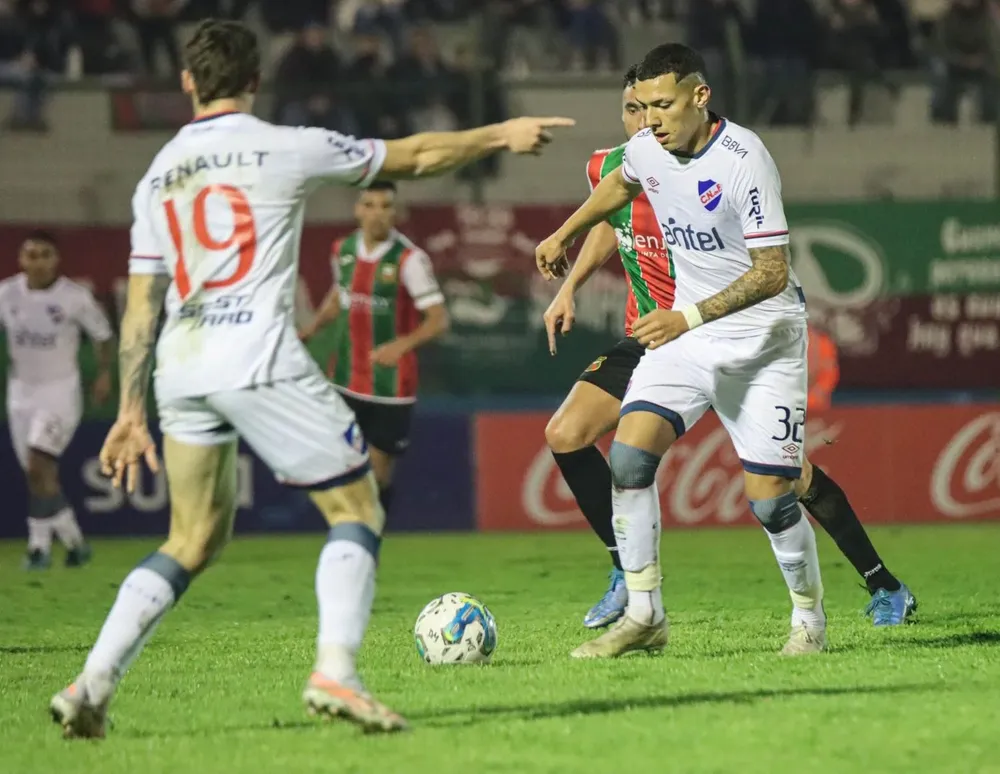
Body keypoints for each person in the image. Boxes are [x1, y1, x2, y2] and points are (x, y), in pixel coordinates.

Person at [49, 18, 572, 738]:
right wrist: (498, 134)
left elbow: (141, 306)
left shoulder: (157, 175)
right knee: (357, 508)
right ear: (256, 80)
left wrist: (131, 411)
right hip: (257, 356)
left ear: (188, 82)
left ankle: (91, 685)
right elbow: (415, 154)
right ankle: (336, 672)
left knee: (190, 540)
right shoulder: (285, 146)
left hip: (181, 365)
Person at [535, 43, 905, 659]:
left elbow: (771, 272)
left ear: (700, 96)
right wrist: (563, 233)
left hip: (763, 341)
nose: (652, 120)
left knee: (772, 499)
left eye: (663, 105)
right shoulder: (646, 148)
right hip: (685, 336)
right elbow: (619, 186)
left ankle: (809, 621)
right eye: (642, 106)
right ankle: (644, 613)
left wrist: (685, 316)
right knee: (628, 458)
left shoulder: (744, 158)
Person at [300, 181, 448, 522]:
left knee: (378, 473)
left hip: (389, 385)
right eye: (370, 205)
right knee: (342, 464)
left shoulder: (409, 260)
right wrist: (311, 329)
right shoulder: (342, 249)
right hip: (345, 377)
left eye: (385, 206)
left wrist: (401, 345)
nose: (377, 214)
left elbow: (438, 320)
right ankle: (348, 531)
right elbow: (339, 296)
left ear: (396, 212)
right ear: (358, 210)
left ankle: (371, 535)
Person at [0, 231, 113, 569]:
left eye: (45, 255)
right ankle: (75, 543)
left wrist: (104, 374)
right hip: (20, 393)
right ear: (21, 260)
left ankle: (38, 547)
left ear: (56, 260)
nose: (38, 262)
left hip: (59, 393)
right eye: (31, 255)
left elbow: (103, 335)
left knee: (38, 465)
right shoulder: (6, 294)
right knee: (38, 475)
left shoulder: (74, 297)